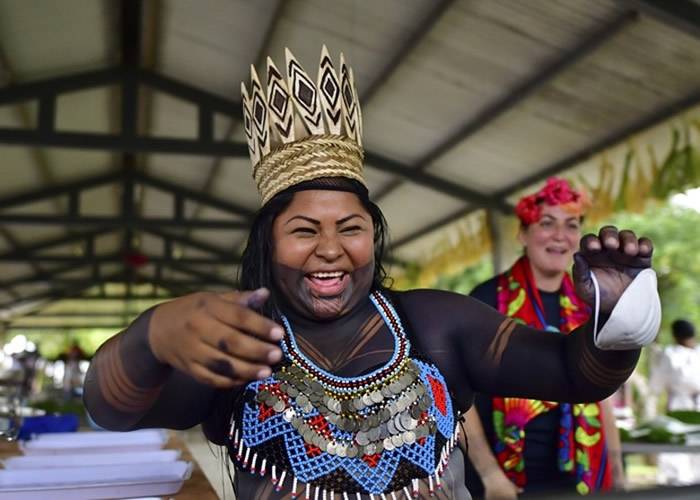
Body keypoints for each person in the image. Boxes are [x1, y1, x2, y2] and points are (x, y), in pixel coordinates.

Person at [83, 47, 660, 499]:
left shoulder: (438, 323)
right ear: (269, 243)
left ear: (374, 236)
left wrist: (619, 322)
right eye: (304, 230)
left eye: (351, 228)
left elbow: (573, 373)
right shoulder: (237, 341)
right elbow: (111, 410)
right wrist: (152, 335)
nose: (330, 248)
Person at [463, 178, 624, 499]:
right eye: (546, 223)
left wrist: (616, 469)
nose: (560, 236)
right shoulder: (486, 300)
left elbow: (601, 390)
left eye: (571, 225)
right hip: (503, 482)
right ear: (523, 233)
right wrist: (490, 475)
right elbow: (458, 397)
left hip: (578, 477)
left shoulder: (588, 305)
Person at [648, 319, 700, 485]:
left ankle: (677, 482)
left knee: (678, 441)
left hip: (680, 403)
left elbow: (657, 383)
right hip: (686, 402)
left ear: (675, 335)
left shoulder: (670, 355)